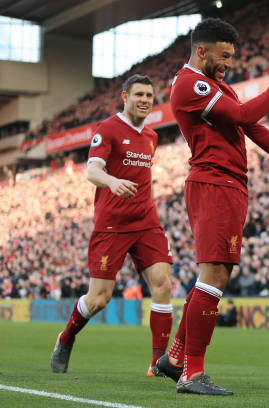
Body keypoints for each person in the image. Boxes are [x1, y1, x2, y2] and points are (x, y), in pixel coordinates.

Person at [154, 18, 269, 396]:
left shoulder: (216, 85)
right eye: (224, 56)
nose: (229, 63)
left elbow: (250, 127)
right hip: (213, 183)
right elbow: (246, 116)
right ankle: (192, 373)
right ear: (201, 51)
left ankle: (176, 358)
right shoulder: (189, 83)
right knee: (213, 275)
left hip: (228, 184)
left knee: (215, 275)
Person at [50, 75, 174, 377]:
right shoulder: (107, 129)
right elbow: (92, 171)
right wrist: (112, 181)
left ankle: (157, 364)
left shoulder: (151, 136)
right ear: (125, 97)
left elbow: (145, 178)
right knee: (99, 299)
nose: (145, 100)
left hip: (146, 222)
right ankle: (66, 338)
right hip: (112, 225)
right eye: (139, 95)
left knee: (162, 283)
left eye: (149, 95)